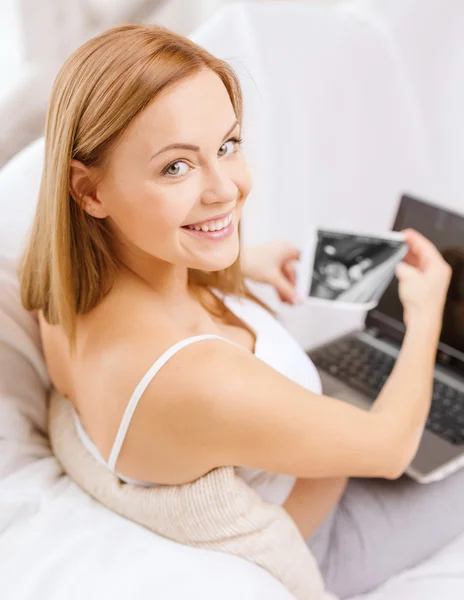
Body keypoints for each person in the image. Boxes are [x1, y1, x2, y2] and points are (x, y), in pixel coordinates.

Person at [18, 24, 464, 599]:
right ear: (89, 191)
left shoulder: (59, 281)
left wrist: (237, 262)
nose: (225, 189)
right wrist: (425, 316)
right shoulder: (199, 378)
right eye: (175, 167)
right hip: (325, 538)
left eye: (227, 146)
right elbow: (389, 446)